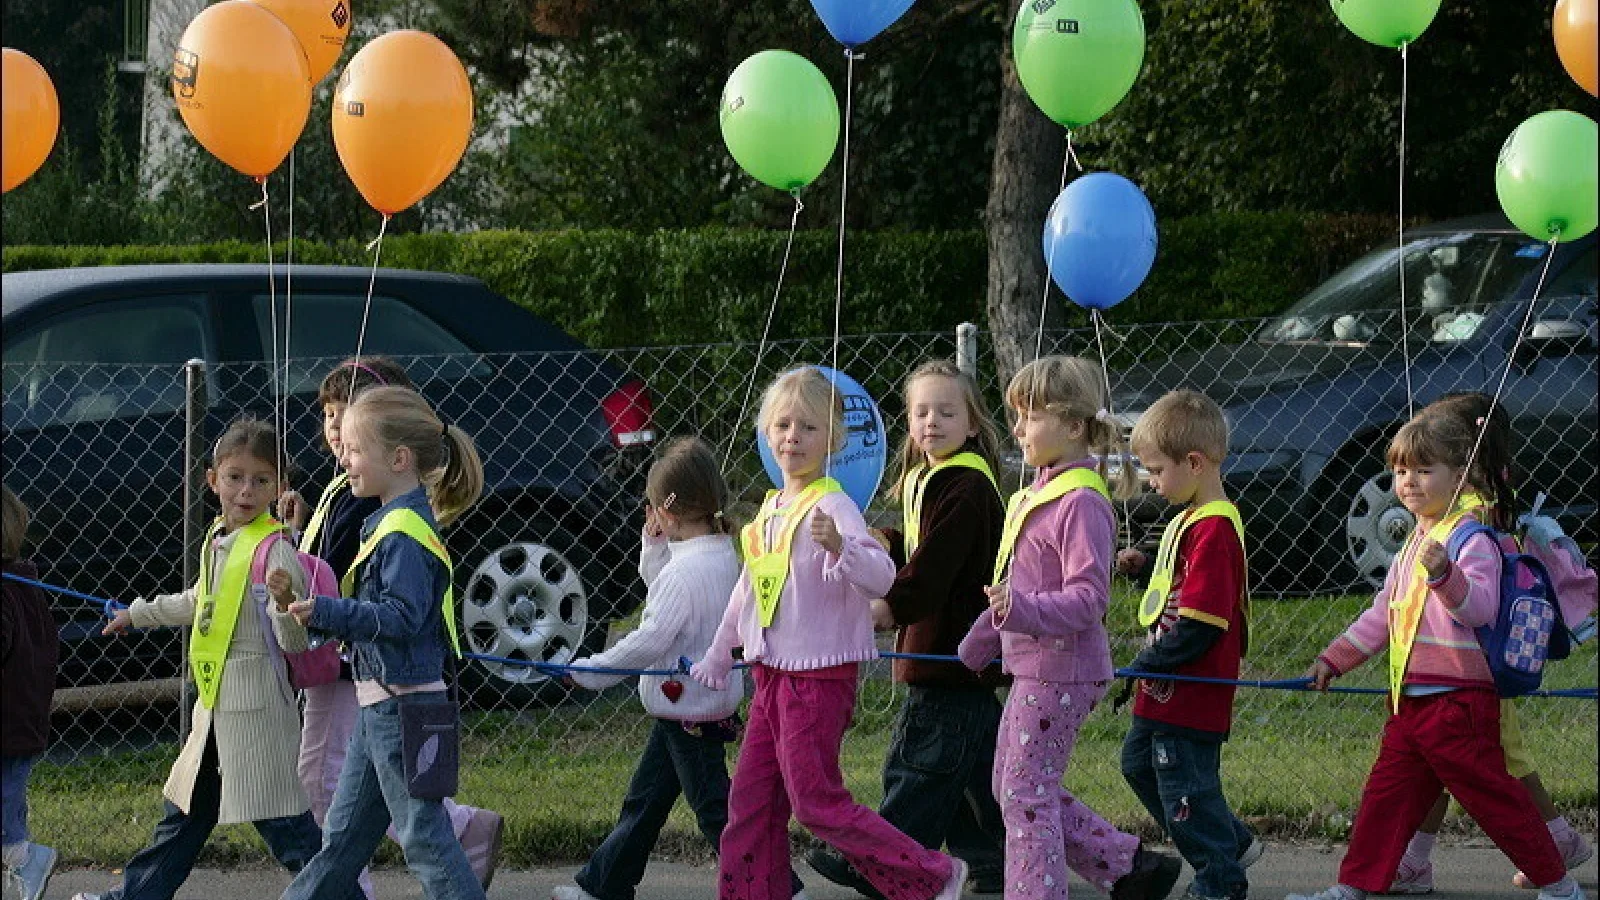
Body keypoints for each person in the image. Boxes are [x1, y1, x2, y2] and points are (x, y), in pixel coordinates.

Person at [690, 366, 966, 900]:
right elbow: (747, 593)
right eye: (784, 425)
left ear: (833, 439)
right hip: (770, 676)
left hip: (819, 679)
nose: (794, 436)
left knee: (816, 802)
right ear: (767, 434)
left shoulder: (835, 506)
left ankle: (931, 874)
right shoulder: (768, 511)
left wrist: (840, 545)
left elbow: (882, 577)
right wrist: (721, 651)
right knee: (750, 801)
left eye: (809, 428)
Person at [1288, 412, 1582, 900]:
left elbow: (1481, 608)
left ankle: (1558, 884)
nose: (1409, 482)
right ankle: (1353, 885)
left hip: (1458, 703)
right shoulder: (1415, 543)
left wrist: (1446, 575)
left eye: (1425, 470)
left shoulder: (1471, 539)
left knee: (1493, 799)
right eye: (1402, 471)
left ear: (1459, 476)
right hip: (1411, 703)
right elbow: (1383, 614)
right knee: (1385, 797)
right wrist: (1335, 657)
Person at [72, 419, 357, 900]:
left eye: (261, 480)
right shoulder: (220, 538)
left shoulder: (276, 549)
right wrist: (136, 614)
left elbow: (294, 641)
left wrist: (287, 604)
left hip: (255, 718)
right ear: (212, 480)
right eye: (235, 477)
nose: (246, 491)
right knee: (182, 818)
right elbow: (202, 599)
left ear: (279, 487)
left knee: (290, 834)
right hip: (215, 714)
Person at [956, 356, 1182, 900]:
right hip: (1033, 669)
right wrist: (976, 645)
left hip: (1063, 672)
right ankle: (1130, 868)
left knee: (1024, 796)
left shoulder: (1081, 502)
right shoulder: (1038, 493)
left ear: (1074, 426)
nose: (1017, 429)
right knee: (1012, 787)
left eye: (1029, 417)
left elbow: (1087, 600)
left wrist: (1020, 609)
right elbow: (1013, 586)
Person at [278, 357, 504, 892]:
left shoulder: (401, 533)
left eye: (357, 450)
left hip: (404, 707)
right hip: (381, 703)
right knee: (343, 839)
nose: (345, 459)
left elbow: (400, 618)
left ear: (399, 459)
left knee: (424, 837)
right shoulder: (386, 521)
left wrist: (328, 613)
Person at [552, 436, 807, 900]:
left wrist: (590, 670)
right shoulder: (719, 552)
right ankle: (603, 885)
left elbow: (650, 637)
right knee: (645, 804)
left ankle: (781, 887)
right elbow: (664, 596)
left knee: (716, 812)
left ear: (665, 510)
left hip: (687, 708)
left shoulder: (684, 573)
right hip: (695, 705)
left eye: (650, 508)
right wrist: (654, 549)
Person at [806, 360, 1009, 898]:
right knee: (980, 776)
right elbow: (928, 545)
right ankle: (996, 859)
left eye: (946, 411)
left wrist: (890, 608)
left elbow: (939, 563)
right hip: (959, 655)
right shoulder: (939, 479)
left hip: (949, 649)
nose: (930, 422)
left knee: (918, 765)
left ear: (972, 424)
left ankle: (880, 862)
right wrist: (893, 542)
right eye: (920, 411)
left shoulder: (964, 486)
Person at [1384, 393, 1592, 894]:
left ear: (1461, 459)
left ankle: (1549, 845)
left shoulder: (1466, 515)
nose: (1413, 476)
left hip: (1467, 663)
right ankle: (1553, 839)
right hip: (1454, 662)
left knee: (1486, 760)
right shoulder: (1485, 502)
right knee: (1489, 757)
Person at [1115, 390, 1261, 900]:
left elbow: (1200, 625)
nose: (1152, 483)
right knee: (1138, 765)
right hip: (1162, 686)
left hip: (1188, 690)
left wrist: (1140, 665)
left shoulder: (1216, 529)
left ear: (1194, 462)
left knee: (1184, 790)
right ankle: (1231, 840)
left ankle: (1219, 878)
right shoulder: (1188, 520)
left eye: (1156, 470)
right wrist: (1141, 570)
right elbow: (1173, 593)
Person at [2, 485, 59, 900]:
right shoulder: (23, 585)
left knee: (6, 811)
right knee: (8, 804)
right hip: (20, 721)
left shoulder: (6, 592)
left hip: (9, 726)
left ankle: (26, 861)